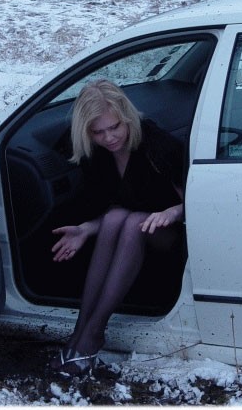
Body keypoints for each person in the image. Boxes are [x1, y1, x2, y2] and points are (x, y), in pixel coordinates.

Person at [49, 79, 185, 375]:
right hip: (129, 235)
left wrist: (171, 212)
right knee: (114, 218)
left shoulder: (157, 145)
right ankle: (80, 333)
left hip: (173, 234)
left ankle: (94, 332)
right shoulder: (97, 155)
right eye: (98, 132)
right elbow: (112, 208)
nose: (109, 137)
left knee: (133, 221)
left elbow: (196, 202)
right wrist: (85, 229)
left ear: (127, 118)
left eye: (115, 127)